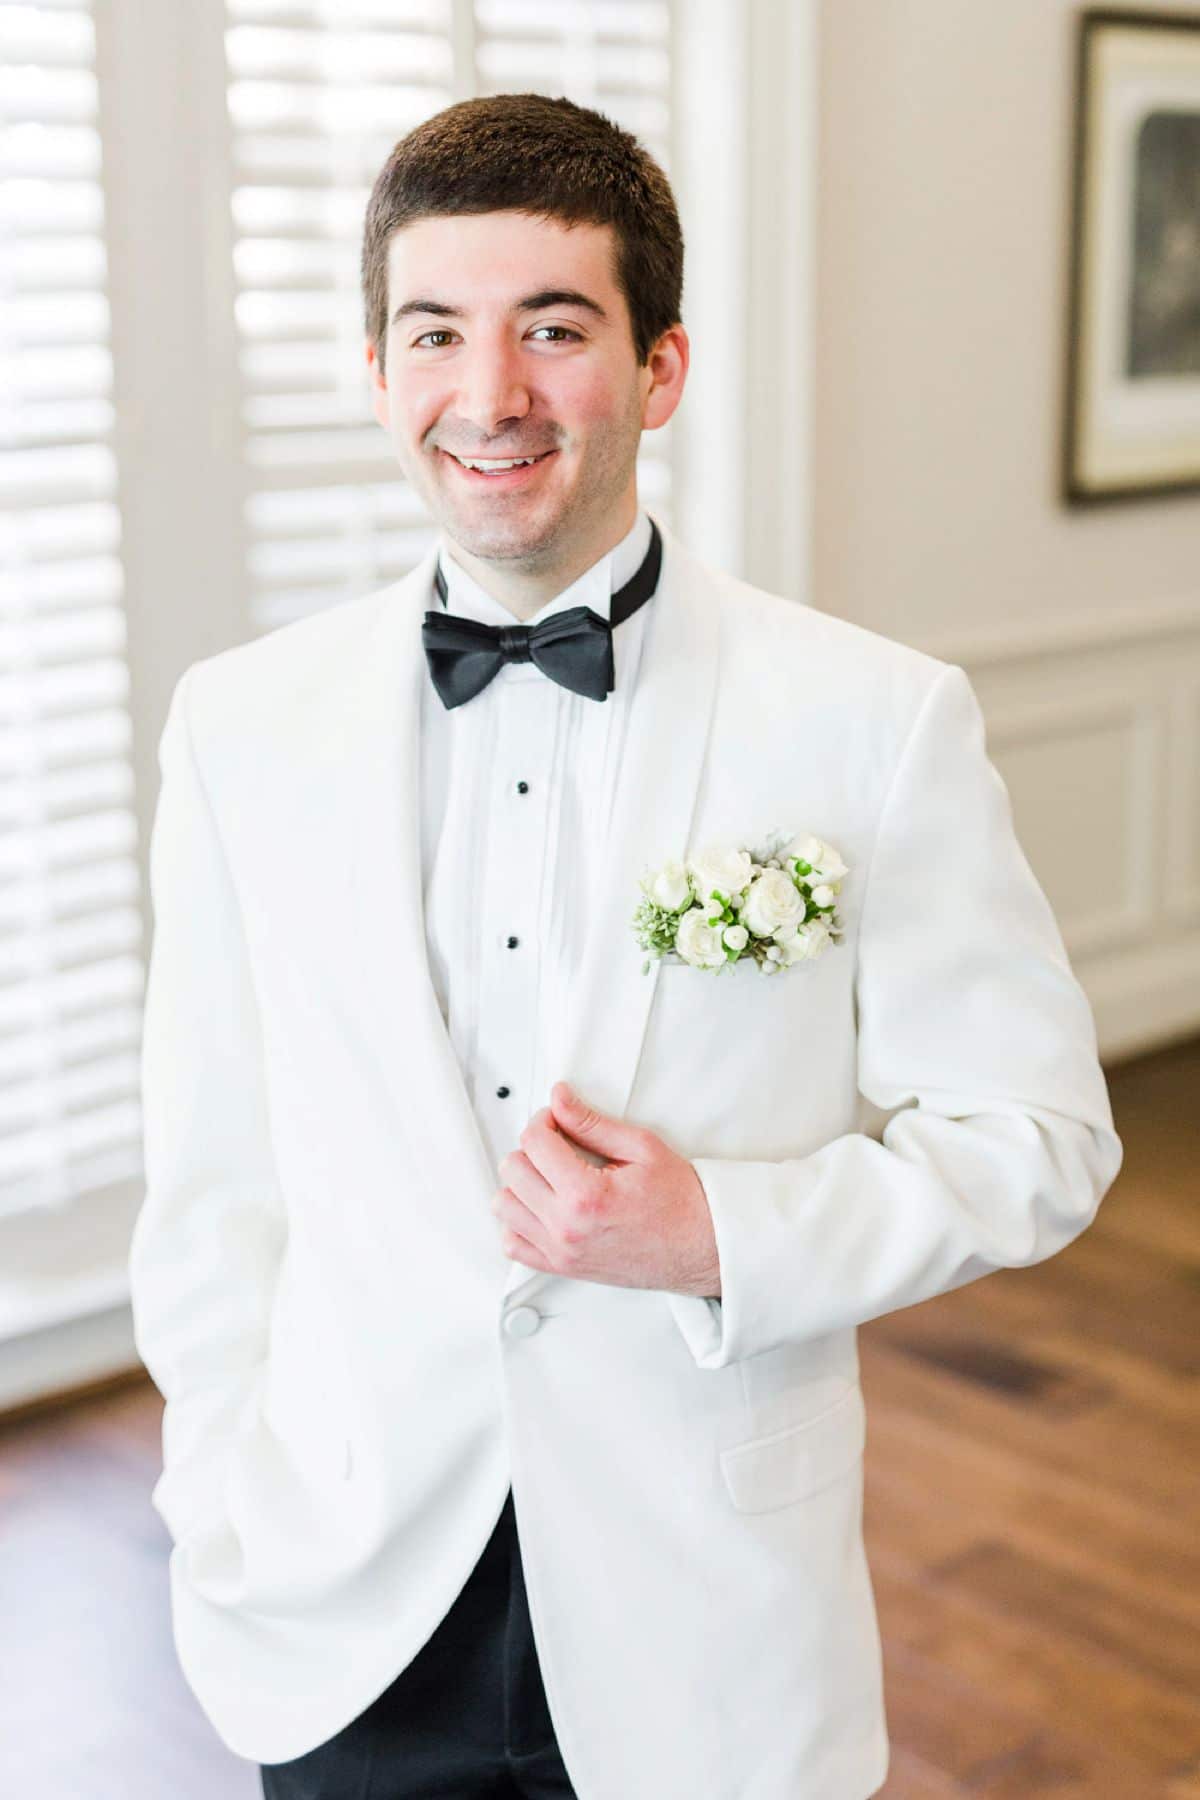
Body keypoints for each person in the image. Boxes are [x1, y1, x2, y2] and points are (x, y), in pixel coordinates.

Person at [128, 92, 1123, 1800]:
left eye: (555, 329)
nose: (490, 395)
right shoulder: (240, 729)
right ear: (377, 370)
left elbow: (1040, 1143)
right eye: (435, 332)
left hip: (707, 1624)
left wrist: (723, 1230)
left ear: (660, 368)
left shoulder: (873, 721)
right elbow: (214, 1181)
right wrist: (219, 1495)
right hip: (343, 1602)